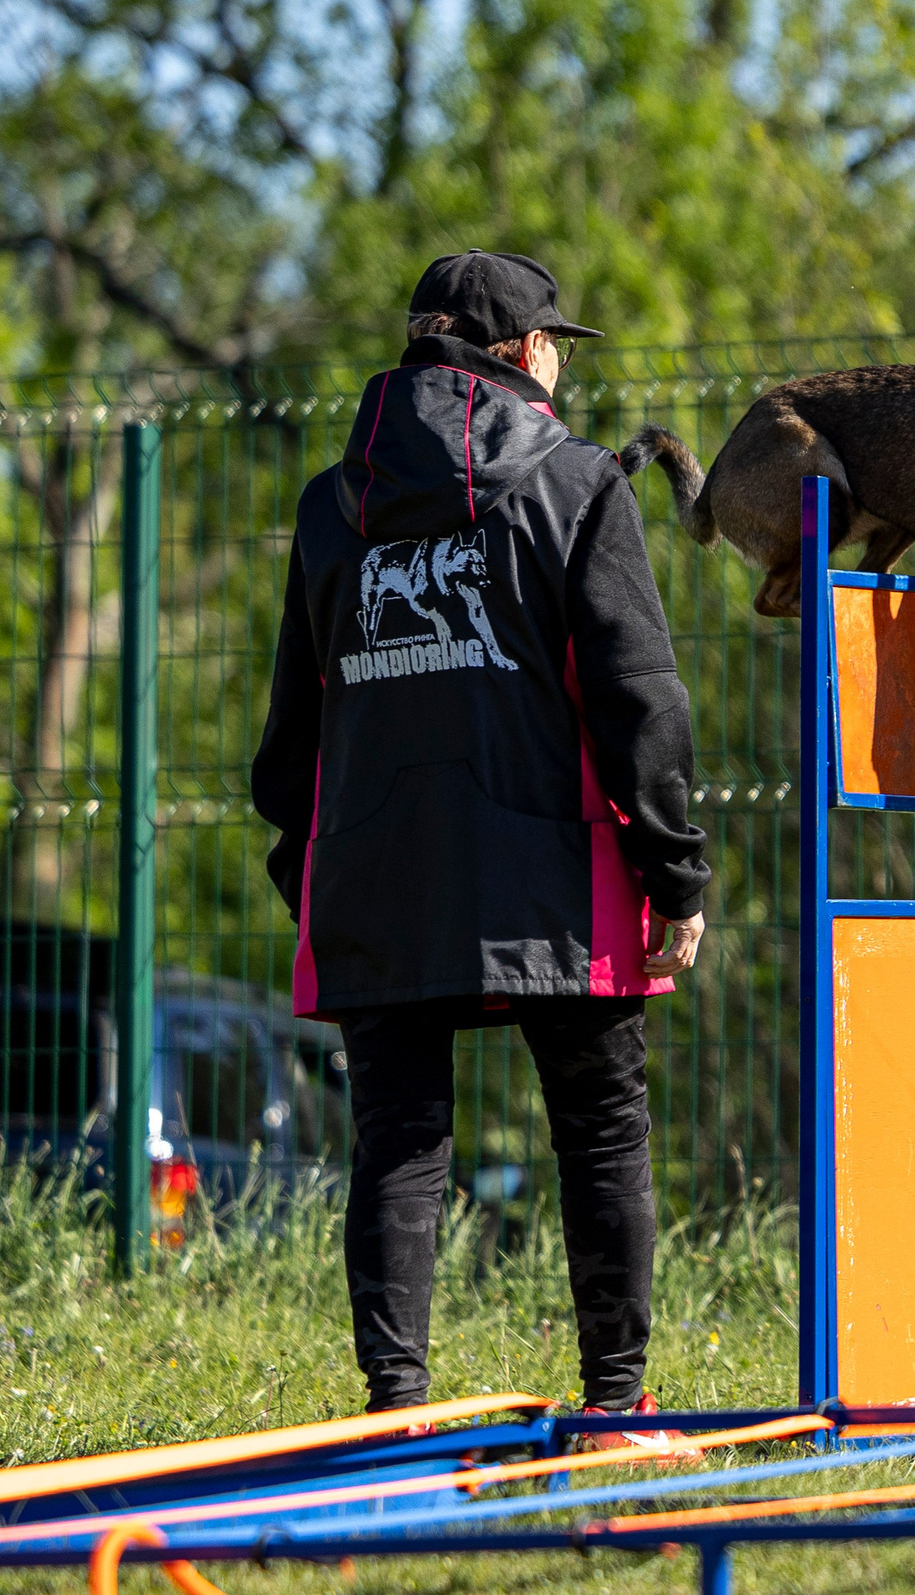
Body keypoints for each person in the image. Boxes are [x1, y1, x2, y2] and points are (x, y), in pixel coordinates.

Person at [252, 249, 709, 1437]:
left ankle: (391, 1410)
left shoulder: (327, 505)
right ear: (518, 355)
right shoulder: (577, 483)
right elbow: (638, 698)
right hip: (549, 867)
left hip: (371, 864)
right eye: (553, 338)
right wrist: (675, 869)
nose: (558, 357)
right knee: (600, 1126)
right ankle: (618, 1397)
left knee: (397, 1136)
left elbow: (294, 720)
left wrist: (302, 859)